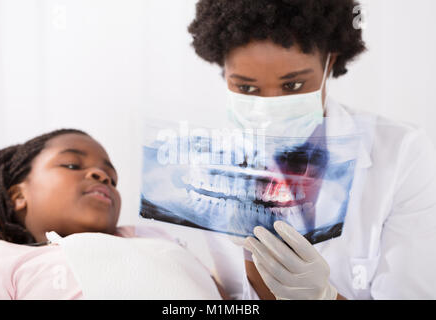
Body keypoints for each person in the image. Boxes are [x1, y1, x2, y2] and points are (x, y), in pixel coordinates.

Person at [187, 0, 436, 299]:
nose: (269, 109)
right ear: (225, 72)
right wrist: (254, 268)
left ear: (329, 62)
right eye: (247, 89)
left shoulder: (402, 154)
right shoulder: (207, 164)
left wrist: (323, 297)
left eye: (292, 86)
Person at [0, 129, 225, 299]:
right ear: (17, 196)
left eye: (113, 179)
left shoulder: (155, 237)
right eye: (72, 165)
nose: (102, 176)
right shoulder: (1, 258)